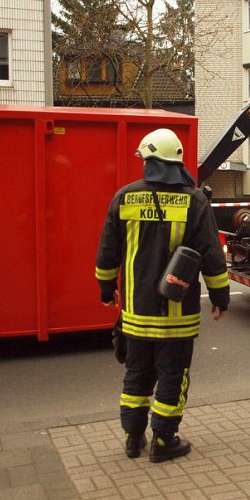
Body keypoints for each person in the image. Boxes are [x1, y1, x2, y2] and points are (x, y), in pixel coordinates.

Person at [95, 128, 230, 463]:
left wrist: (105, 288)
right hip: (177, 315)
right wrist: (220, 296)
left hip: (136, 314)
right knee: (173, 375)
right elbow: (211, 255)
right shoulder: (195, 200)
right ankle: (164, 442)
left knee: (137, 374)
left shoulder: (124, 197)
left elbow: (107, 252)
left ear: (149, 161)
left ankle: (132, 439)